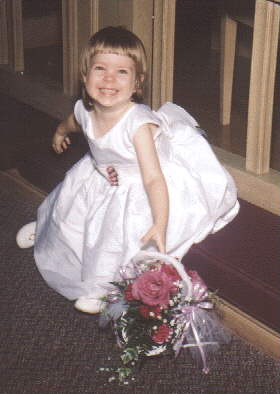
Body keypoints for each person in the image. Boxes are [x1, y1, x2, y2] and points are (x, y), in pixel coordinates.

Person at [16, 26, 239, 314]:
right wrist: (60, 132)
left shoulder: (137, 125)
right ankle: (47, 234)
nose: (109, 78)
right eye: (100, 69)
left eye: (122, 72)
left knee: (113, 236)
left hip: (138, 186)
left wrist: (160, 222)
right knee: (68, 210)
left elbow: (153, 178)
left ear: (137, 83)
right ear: (85, 77)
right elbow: (73, 122)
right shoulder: (85, 110)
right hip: (99, 175)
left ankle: (100, 287)